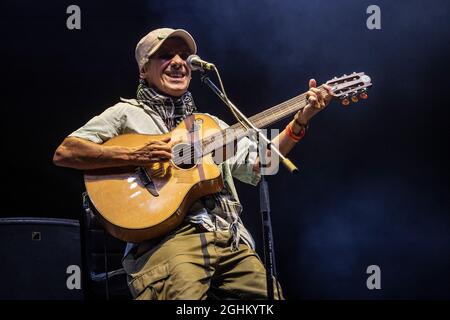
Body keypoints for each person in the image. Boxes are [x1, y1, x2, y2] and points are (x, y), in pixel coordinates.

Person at [53, 27, 332, 300]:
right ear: (143, 70)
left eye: (184, 56)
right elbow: (66, 152)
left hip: (230, 237)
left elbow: (260, 163)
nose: (178, 63)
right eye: (165, 56)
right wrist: (136, 156)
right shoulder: (124, 114)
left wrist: (302, 119)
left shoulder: (210, 125)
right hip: (169, 241)